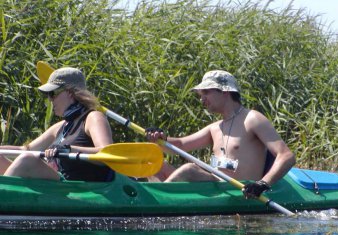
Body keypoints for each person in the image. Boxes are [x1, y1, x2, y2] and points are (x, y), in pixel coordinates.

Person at [146, 70, 296, 198]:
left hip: (239, 191)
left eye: (206, 92)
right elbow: (180, 145)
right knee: (154, 163)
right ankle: (158, 200)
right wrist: (160, 138)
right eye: (200, 94)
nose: (201, 99)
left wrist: (263, 184)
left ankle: (156, 200)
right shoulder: (215, 128)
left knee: (189, 170)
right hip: (216, 187)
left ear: (224, 91)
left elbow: (286, 156)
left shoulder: (253, 119)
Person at [0, 67, 114, 181]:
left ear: (70, 93)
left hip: (76, 188)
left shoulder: (93, 117)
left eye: (53, 93)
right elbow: (25, 150)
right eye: (48, 95)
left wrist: (68, 149)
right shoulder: (61, 126)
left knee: (28, 160)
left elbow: (107, 154)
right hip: (57, 183)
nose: (50, 99)